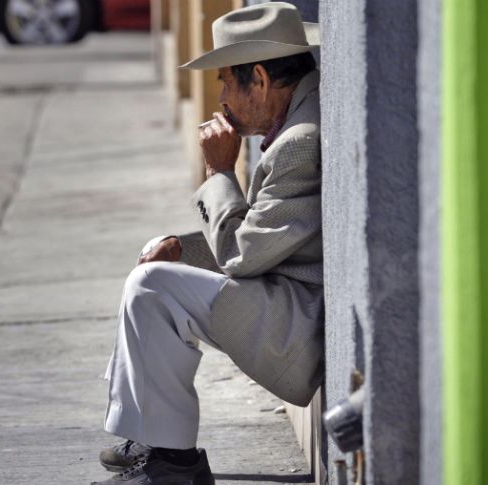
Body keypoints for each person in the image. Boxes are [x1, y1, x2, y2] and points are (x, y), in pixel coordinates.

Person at [93, 3, 323, 484]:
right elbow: (265, 233)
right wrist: (183, 247)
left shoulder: (299, 140)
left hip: (299, 331)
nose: (219, 98)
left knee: (154, 286)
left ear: (258, 79)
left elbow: (242, 254)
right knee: (158, 265)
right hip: (286, 301)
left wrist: (219, 171)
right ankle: (155, 441)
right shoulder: (296, 118)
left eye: (224, 82)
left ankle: (171, 462)